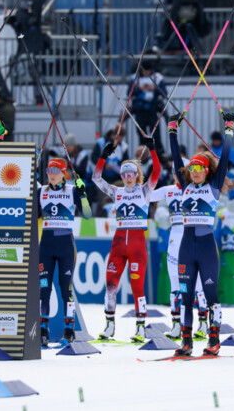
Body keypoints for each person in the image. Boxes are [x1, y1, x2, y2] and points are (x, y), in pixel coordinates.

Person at [168, 111, 234, 356]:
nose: (195, 171)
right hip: (186, 246)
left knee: (210, 296)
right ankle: (186, 342)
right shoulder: (185, 185)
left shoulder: (214, 186)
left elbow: (225, 157)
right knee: (185, 297)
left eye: (200, 168)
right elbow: (177, 158)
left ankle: (214, 339)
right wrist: (172, 130)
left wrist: (228, 128)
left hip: (206, 247)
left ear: (208, 171)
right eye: (192, 167)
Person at [93, 137, 160, 342]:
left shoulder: (144, 190)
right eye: (124, 174)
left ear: (137, 175)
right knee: (110, 285)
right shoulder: (117, 192)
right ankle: (109, 326)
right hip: (119, 243)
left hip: (138, 244)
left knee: (137, 287)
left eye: (131, 174)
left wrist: (153, 149)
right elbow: (96, 179)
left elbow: (156, 172)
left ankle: (140, 328)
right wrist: (103, 158)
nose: (128, 178)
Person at [150, 173, 210, 339]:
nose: (179, 177)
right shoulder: (169, 190)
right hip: (175, 237)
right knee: (175, 281)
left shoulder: (199, 189)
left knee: (198, 283)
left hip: (194, 235)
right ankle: (177, 324)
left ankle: (203, 323)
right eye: (176, 173)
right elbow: (146, 195)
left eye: (183, 173)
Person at [38, 158, 91, 346]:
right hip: (46, 246)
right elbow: (32, 216)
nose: (51, 174)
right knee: (43, 290)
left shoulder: (71, 190)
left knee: (65, 289)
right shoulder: (41, 192)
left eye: (56, 170)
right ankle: (43, 330)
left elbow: (87, 215)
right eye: (49, 170)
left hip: (66, 246)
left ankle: (69, 331)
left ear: (63, 173)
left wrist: (83, 194)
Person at [130, 60, 167, 154]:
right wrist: (139, 89)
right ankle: (143, 155)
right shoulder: (135, 78)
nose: (146, 73)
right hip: (140, 111)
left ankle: (158, 154)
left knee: (155, 135)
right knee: (141, 134)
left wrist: (154, 89)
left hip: (152, 111)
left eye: (148, 71)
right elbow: (129, 93)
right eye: (144, 71)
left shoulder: (157, 78)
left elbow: (164, 93)